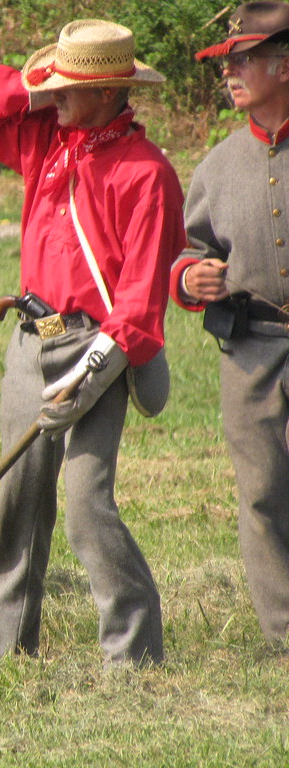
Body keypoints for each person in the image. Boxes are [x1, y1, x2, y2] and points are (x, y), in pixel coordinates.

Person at [0, 19, 185, 665]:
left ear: (109, 92)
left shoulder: (148, 174)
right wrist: (38, 82)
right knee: (17, 501)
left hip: (96, 347)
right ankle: (7, 653)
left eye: (68, 88)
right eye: (50, 87)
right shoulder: (44, 140)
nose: (54, 98)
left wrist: (85, 376)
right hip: (39, 333)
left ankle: (133, 656)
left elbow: (140, 303)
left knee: (86, 506)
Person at [172, 1, 289, 650]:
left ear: (286, 64)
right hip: (249, 350)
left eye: (243, 60)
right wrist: (192, 279)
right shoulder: (216, 166)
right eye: (227, 63)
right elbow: (193, 251)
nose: (231, 73)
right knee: (262, 493)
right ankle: (284, 635)